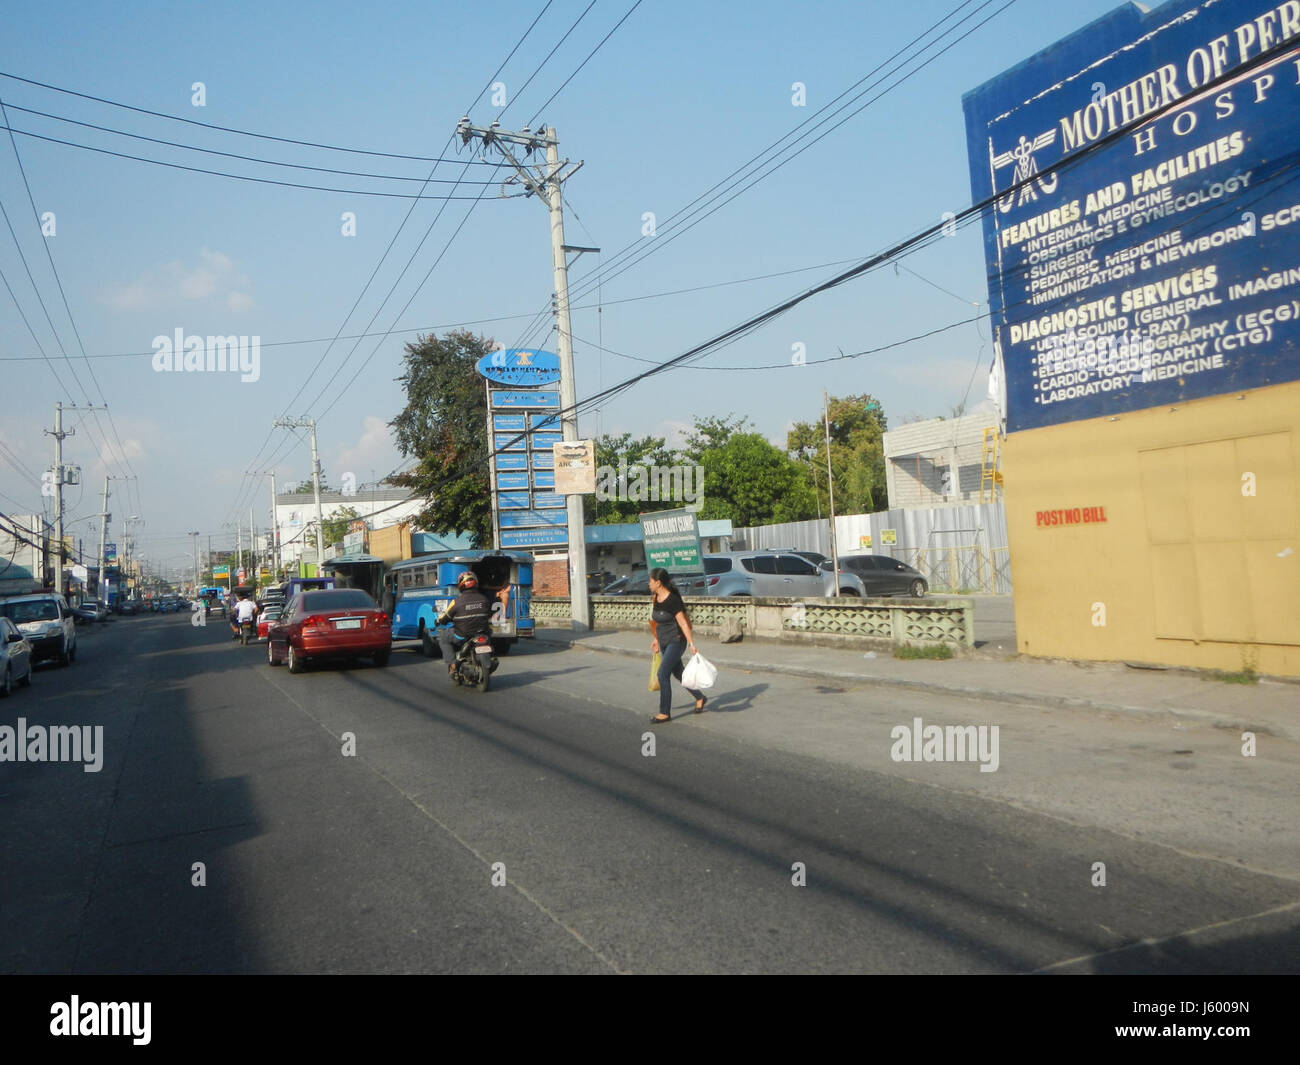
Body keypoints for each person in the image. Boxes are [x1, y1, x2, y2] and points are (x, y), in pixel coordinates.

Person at [648, 568, 706, 723]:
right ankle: (700, 697)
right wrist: (656, 639)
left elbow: (683, 623)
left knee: (662, 674)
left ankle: (664, 712)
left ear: (658, 583)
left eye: (651, 581)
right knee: (679, 673)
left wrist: (692, 644)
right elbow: (657, 622)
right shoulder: (655, 597)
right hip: (664, 641)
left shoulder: (672, 600)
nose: (649, 584)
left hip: (677, 640)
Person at [435, 571, 502, 677]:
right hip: (483, 632)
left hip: (462, 635)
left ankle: (452, 664)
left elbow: (445, 618)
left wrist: (438, 621)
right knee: (489, 633)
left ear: (461, 585)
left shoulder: (456, 602)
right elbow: (490, 613)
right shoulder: (484, 599)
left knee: (444, 637)